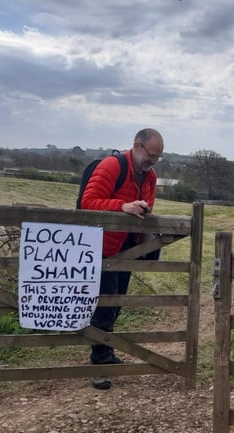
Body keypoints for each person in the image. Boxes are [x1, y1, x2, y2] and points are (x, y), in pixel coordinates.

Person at [80, 128, 163, 390]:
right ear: (136, 146)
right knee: (105, 304)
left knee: (116, 302)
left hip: (129, 248)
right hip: (102, 247)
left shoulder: (150, 176)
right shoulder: (111, 166)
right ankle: (99, 362)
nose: (153, 162)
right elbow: (88, 202)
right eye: (151, 155)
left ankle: (105, 350)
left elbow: (146, 206)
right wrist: (122, 206)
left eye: (158, 157)